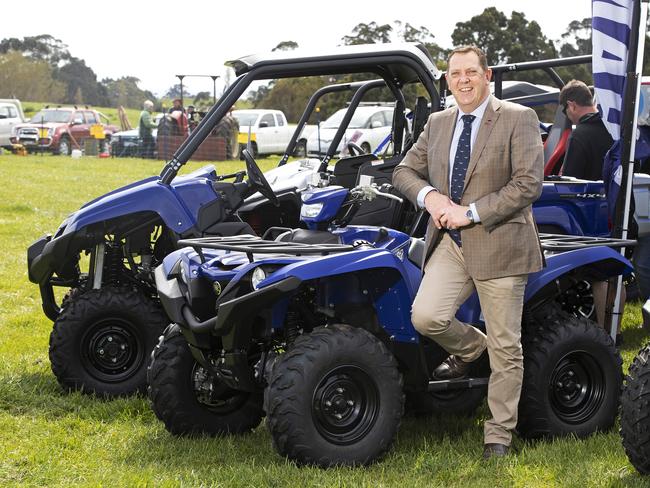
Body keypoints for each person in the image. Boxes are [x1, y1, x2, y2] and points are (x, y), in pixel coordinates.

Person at [392, 45, 544, 460]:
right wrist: (431, 198)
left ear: (487, 75)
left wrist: (470, 212)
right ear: (447, 79)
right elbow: (403, 171)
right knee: (426, 316)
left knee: (507, 347)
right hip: (451, 246)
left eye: (470, 72)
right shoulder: (439, 123)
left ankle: (498, 435)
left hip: (500, 242)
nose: (462, 80)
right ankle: (472, 349)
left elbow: (528, 184)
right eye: (454, 73)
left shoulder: (518, 118)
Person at [559, 80, 629, 341]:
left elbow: (572, 178)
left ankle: (603, 333)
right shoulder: (615, 129)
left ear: (572, 105)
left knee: (600, 277)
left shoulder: (580, 135)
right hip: (621, 209)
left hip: (594, 213)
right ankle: (618, 332)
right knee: (620, 273)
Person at [560, 79, 613, 180]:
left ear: (572, 106)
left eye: (564, 111)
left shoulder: (578, 136)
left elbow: (569, 182)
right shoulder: (614, 128)